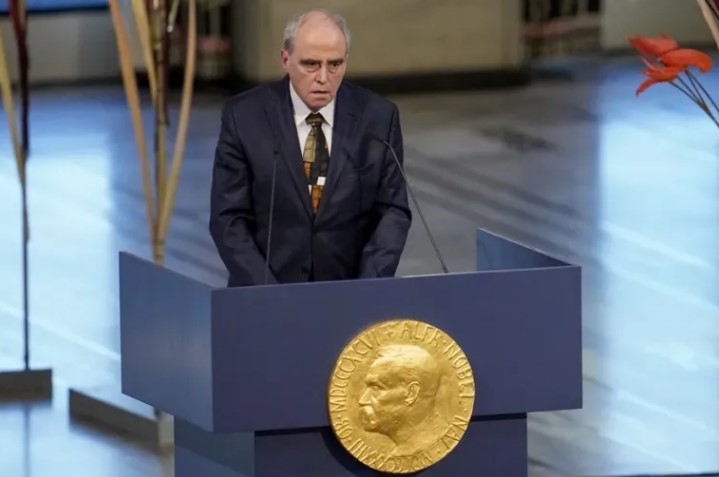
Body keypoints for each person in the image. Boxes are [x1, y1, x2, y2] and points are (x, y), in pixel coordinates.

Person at [209, 9, 412, 287]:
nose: (323, 78)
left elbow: (393, 212)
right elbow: (228, 219)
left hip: (349, 294)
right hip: (265, 295)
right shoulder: (244, 117)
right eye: (311, 64)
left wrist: (365, 290)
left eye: (335, 64)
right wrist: (268, 294)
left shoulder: (378, 118)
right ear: (285, 60)